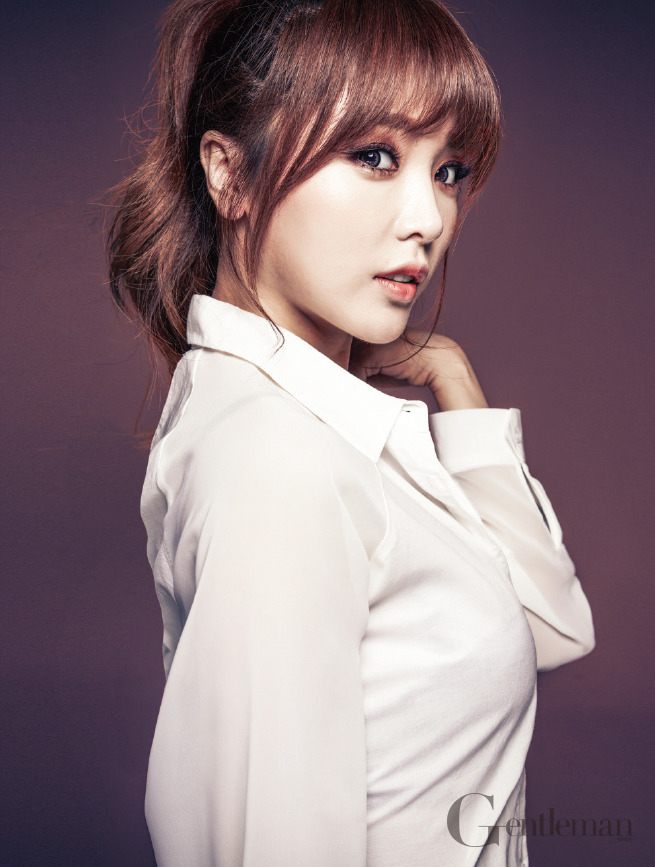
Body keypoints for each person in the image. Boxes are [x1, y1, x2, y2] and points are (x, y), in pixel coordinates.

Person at [107, 0, 595, 864]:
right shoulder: (276, 457)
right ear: (229, 173)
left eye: (447, 170)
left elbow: (548, 627)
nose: (429, 218)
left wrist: (456, 386)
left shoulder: (312, 422)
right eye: (374, 156)